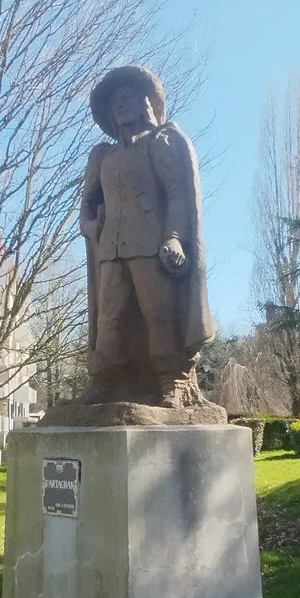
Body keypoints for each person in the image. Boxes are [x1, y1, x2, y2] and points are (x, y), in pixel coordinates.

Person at [77, 64, 217, 409]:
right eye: (114, 102)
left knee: (160, 314)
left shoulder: (161, 142)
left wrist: (174, 237)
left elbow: (178, 195)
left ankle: (173, 380)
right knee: (108, 320)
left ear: (145, 103)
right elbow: (87, 203)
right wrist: (90, 226)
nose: (119, 105)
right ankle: (103, 383)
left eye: (126, 97)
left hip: (149, 245)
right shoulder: (102, 156)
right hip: (110, 250)